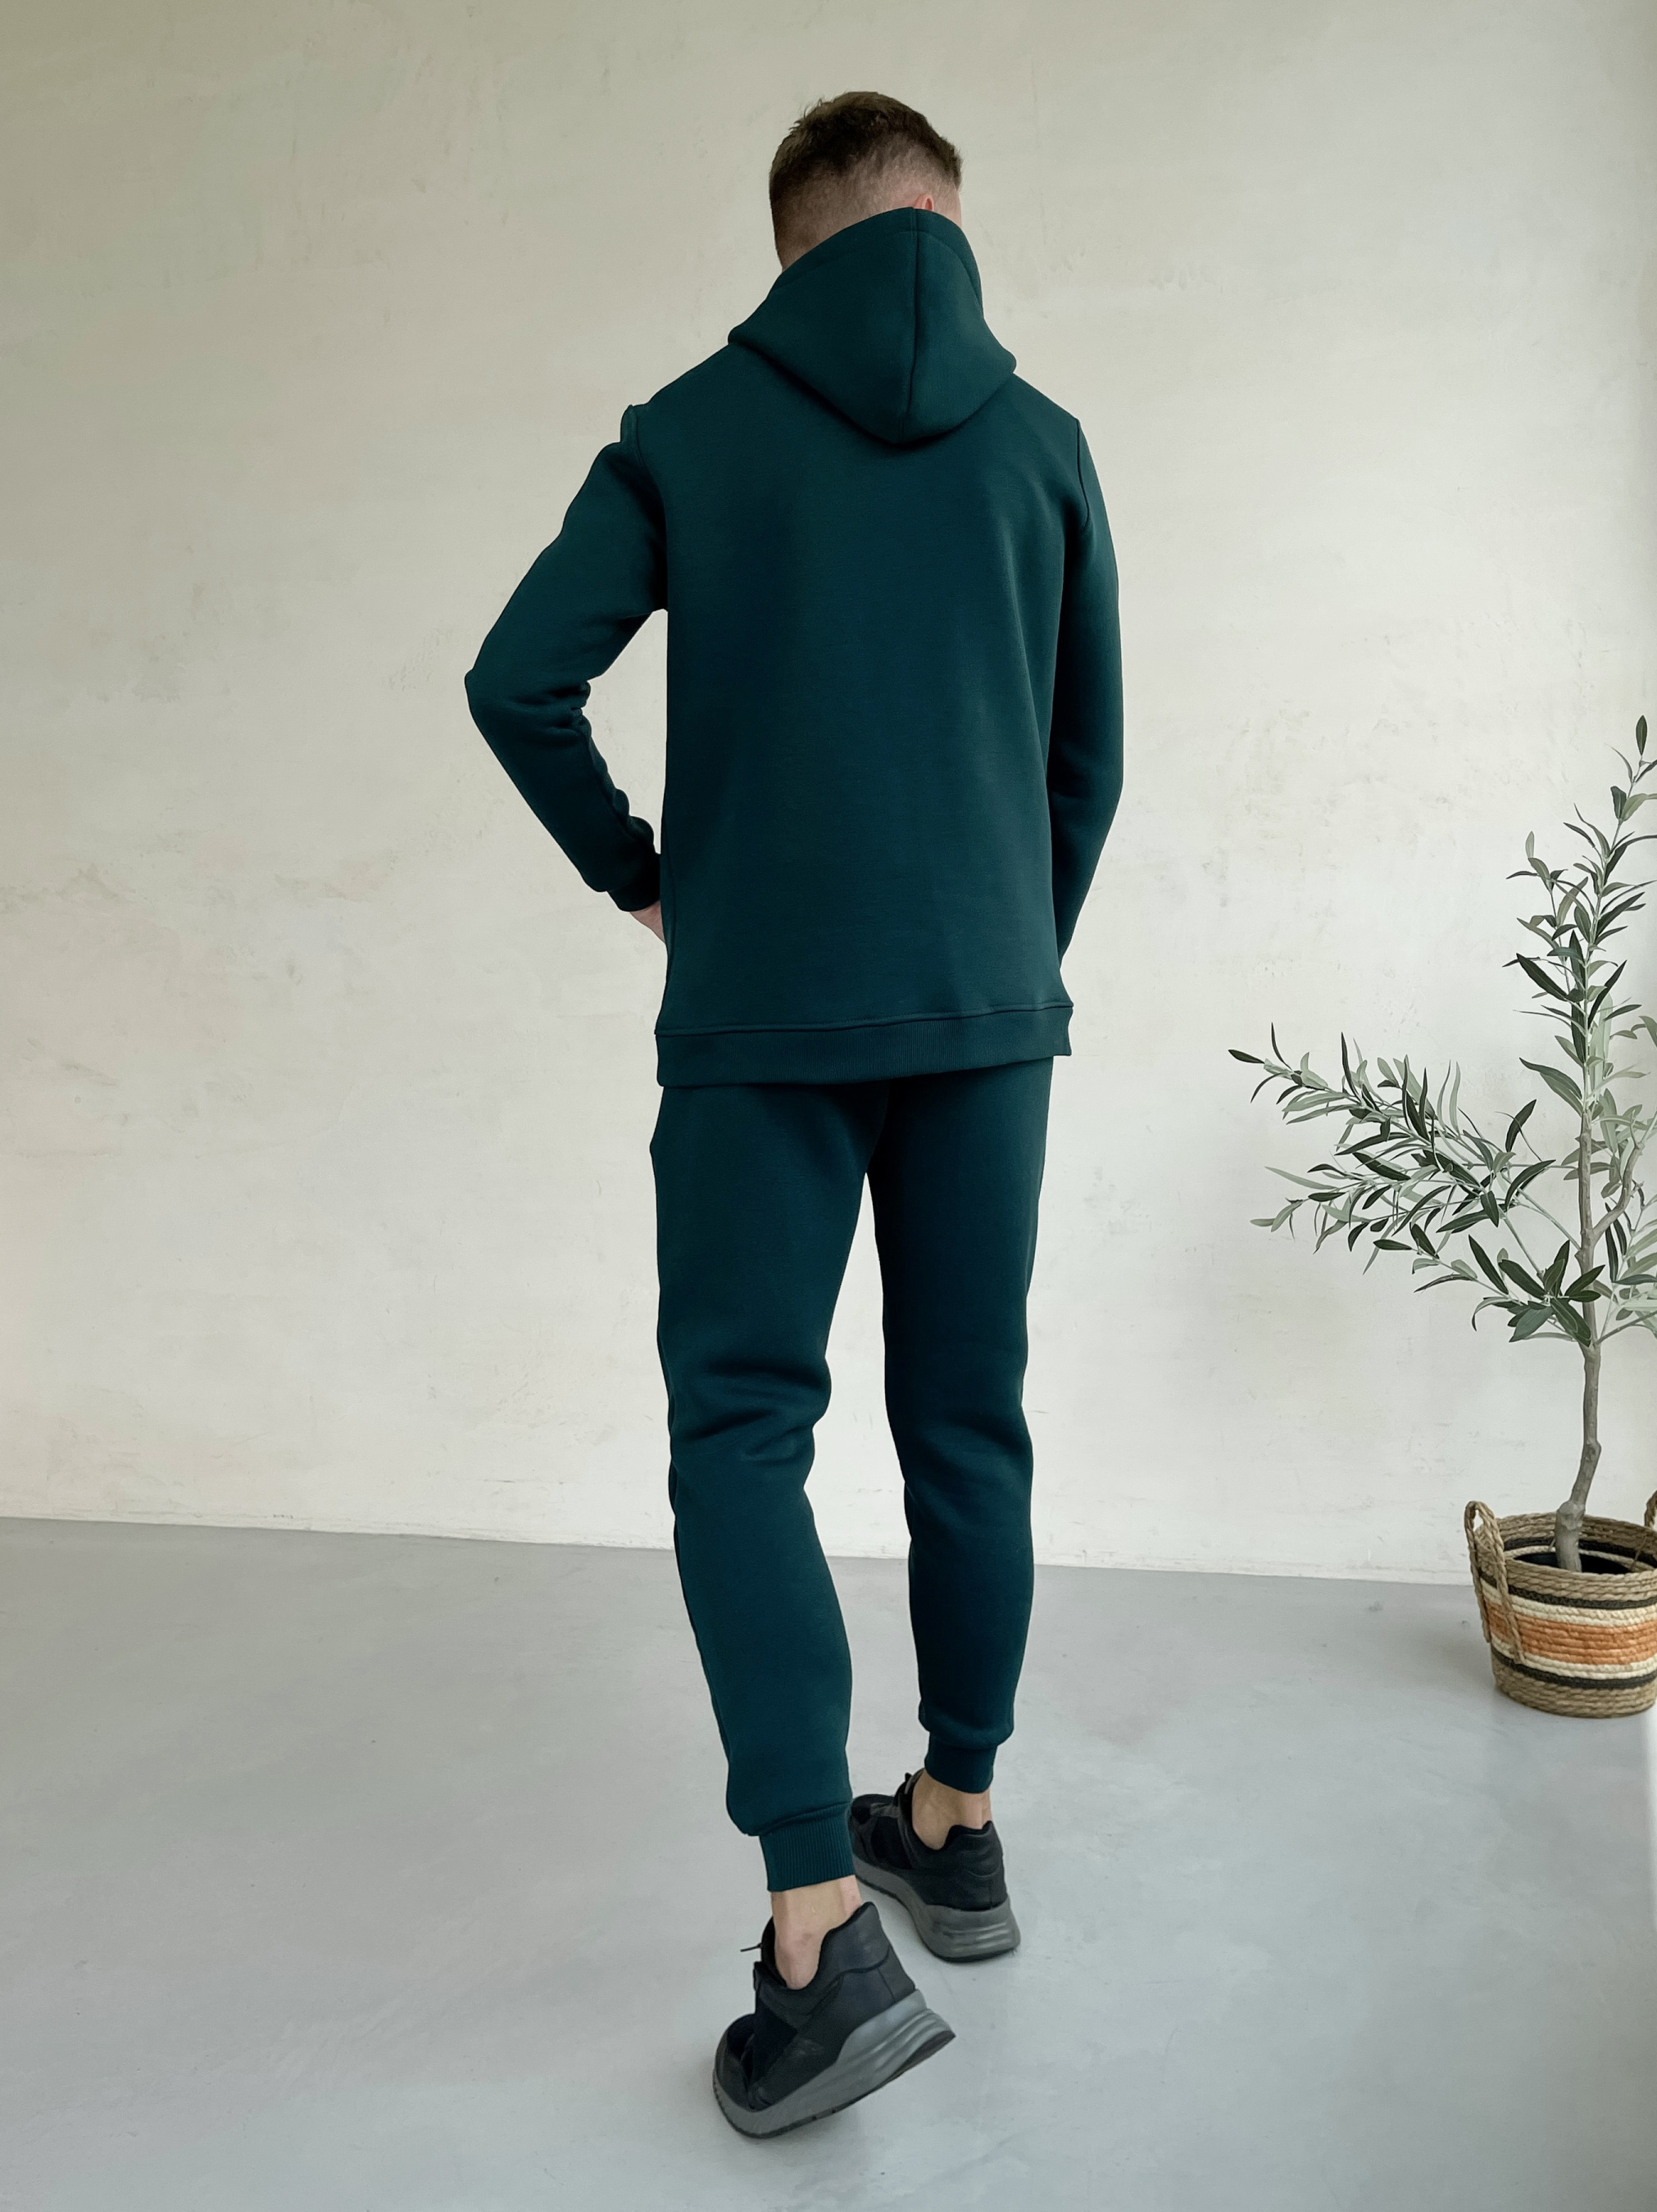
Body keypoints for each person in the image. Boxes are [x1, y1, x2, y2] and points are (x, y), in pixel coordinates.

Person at [465, 89, 1123, 2136]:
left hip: (761, 1018)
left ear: (791, 246)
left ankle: (819, 1935)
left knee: (743, 1432)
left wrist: (640, 875)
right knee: (969, 1419)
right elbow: (1085, 763)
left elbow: (514, 681)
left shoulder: (690, 429)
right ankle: (957, 1822)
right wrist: (995, 960)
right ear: (943, 220)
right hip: (986, 1015)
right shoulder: (1044, 444)